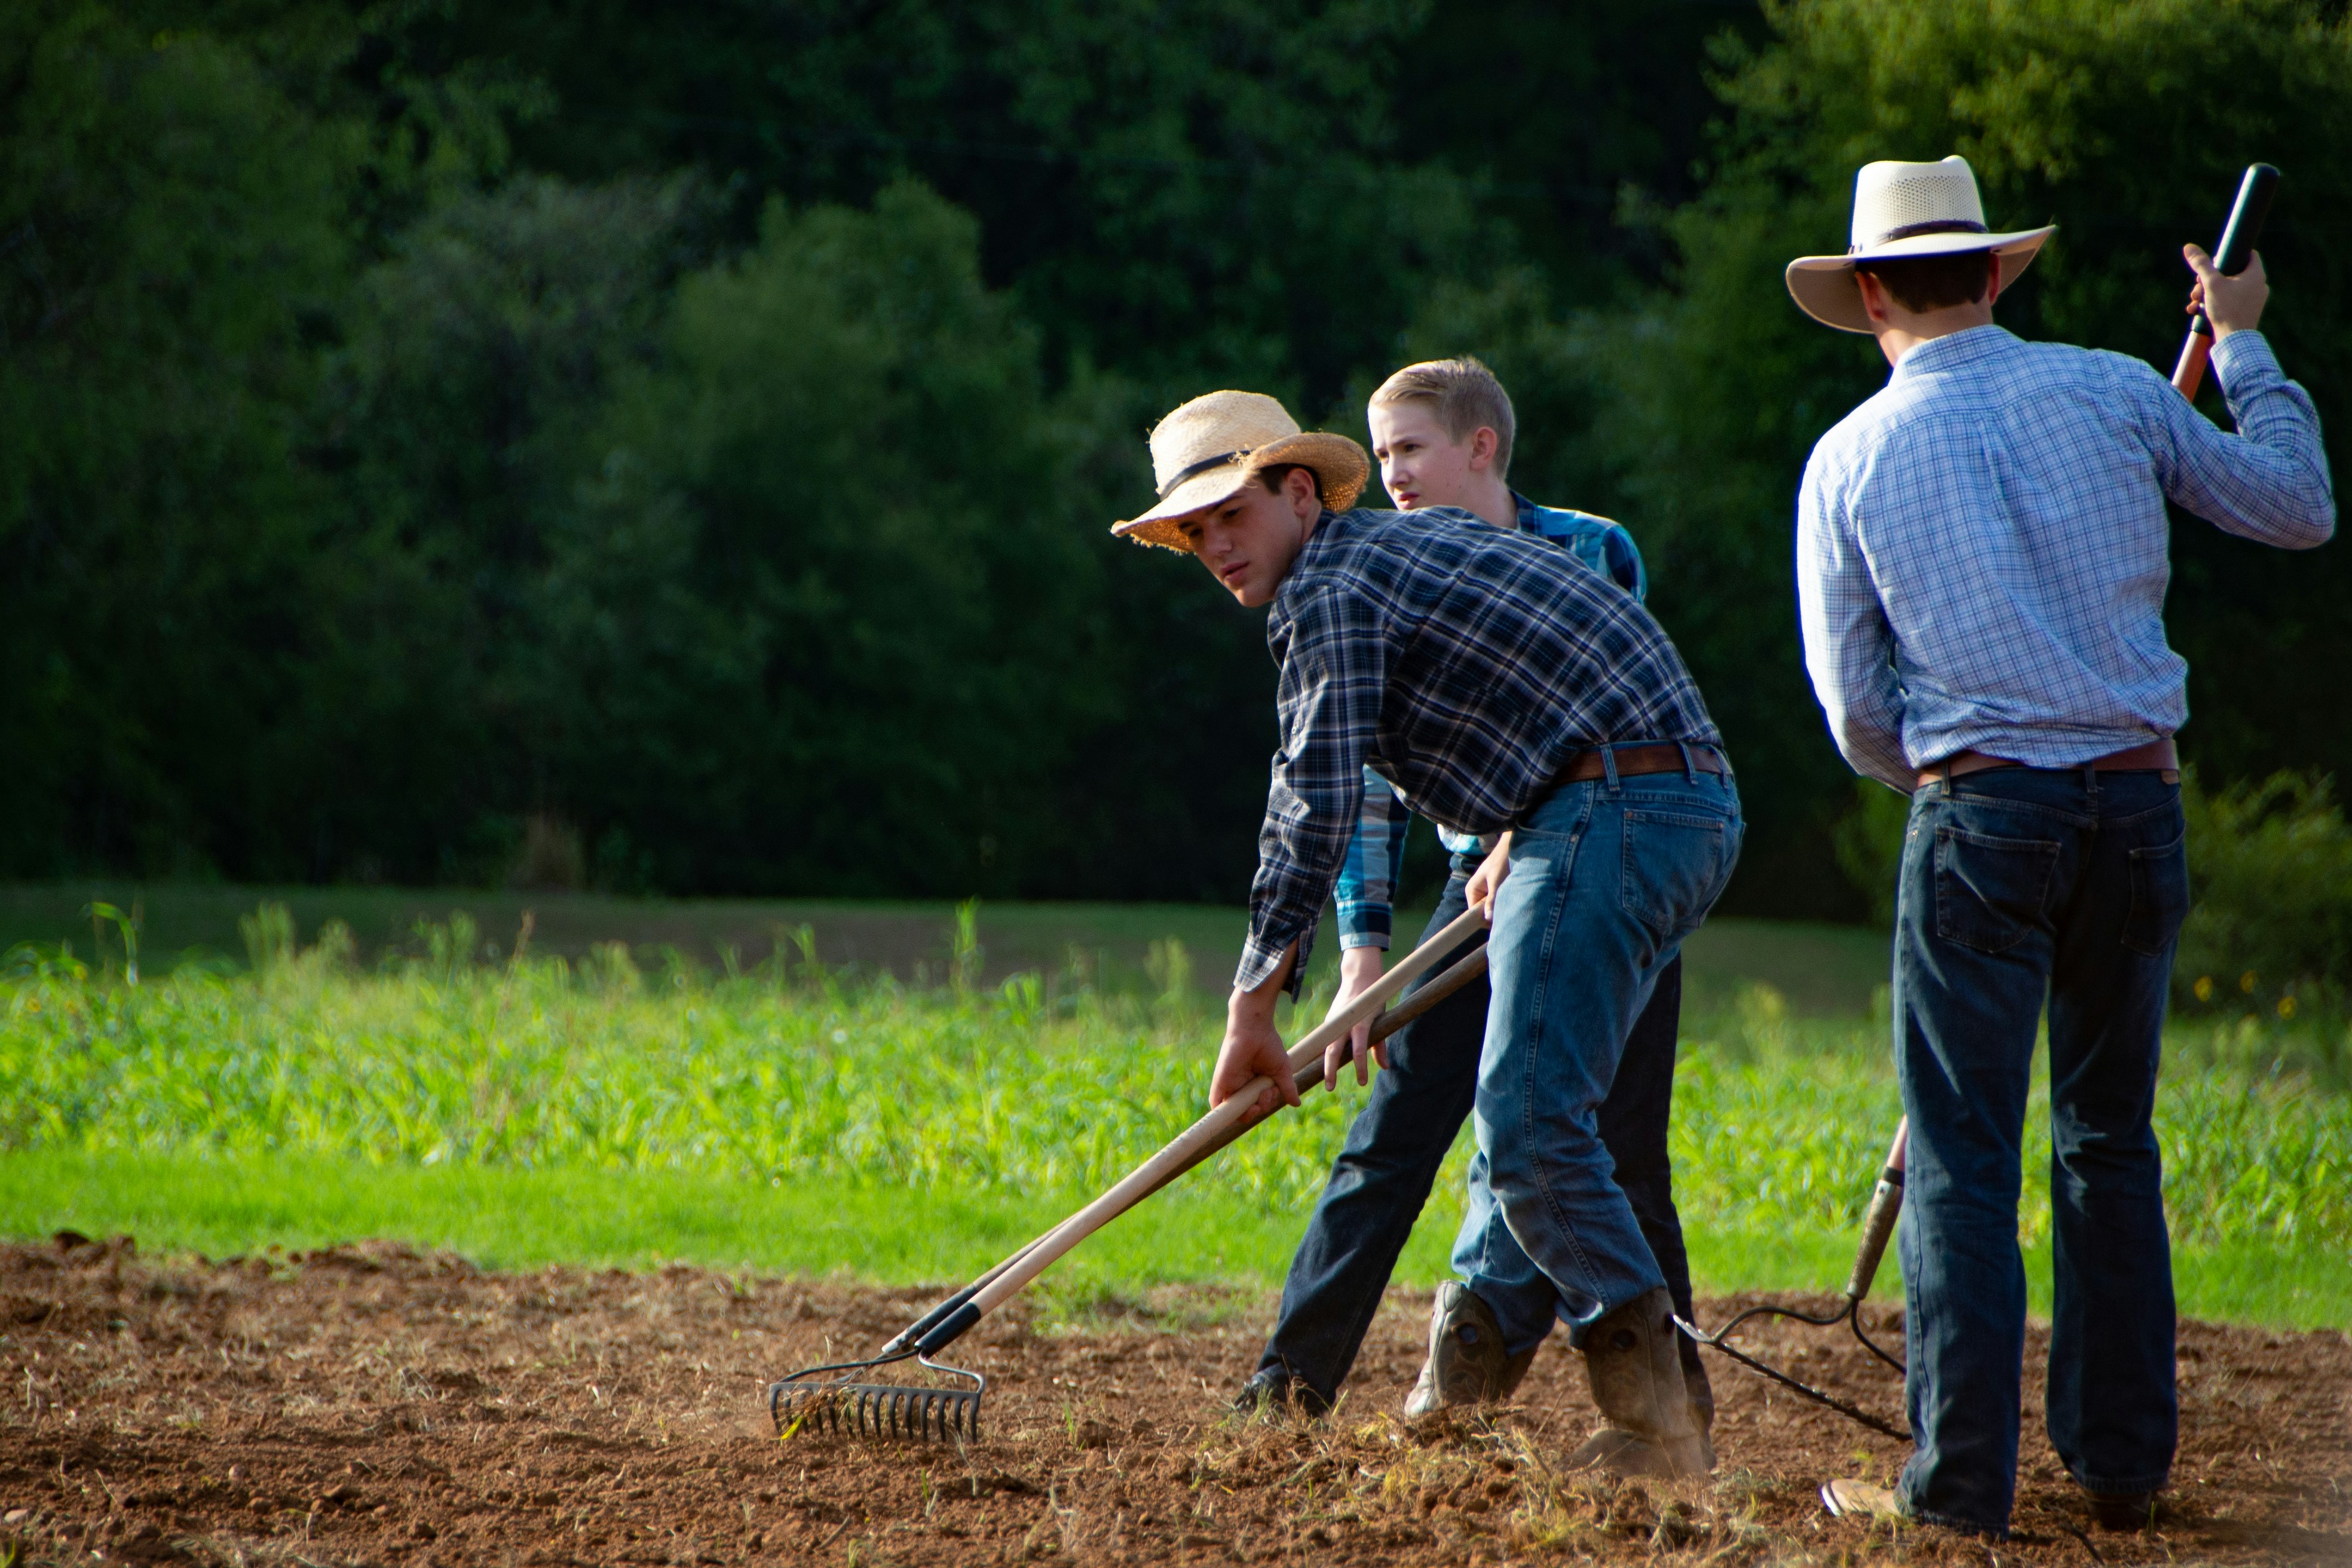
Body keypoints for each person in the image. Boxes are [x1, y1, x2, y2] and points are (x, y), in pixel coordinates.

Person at [1785, 156, 2333, 1538]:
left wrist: (1948, 761)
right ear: (1989, 269)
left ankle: (1955, 1484)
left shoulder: (1848, 457)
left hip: (1980, 812)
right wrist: (2249, 343)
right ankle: (2121, 1463)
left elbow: (1854, 709)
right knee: (2109, 1144)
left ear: (1865, 293)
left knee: (1966, 1157)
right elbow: (2298, 504)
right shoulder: (2111, 388)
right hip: (2136, 800)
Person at [1111, 387, 1741, 1477]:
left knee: (1534, 1123)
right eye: (1193, 530)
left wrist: (1252, 1006)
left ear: (1298, 493)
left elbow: (1311, 796)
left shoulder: (1332, 588)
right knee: (1530, 1118)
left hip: (1610, 807)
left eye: (1232, 514)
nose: (1215, 546)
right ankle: (1459, 1406)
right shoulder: (1397, 553)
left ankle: (1660, 1424)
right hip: (1654, 804)